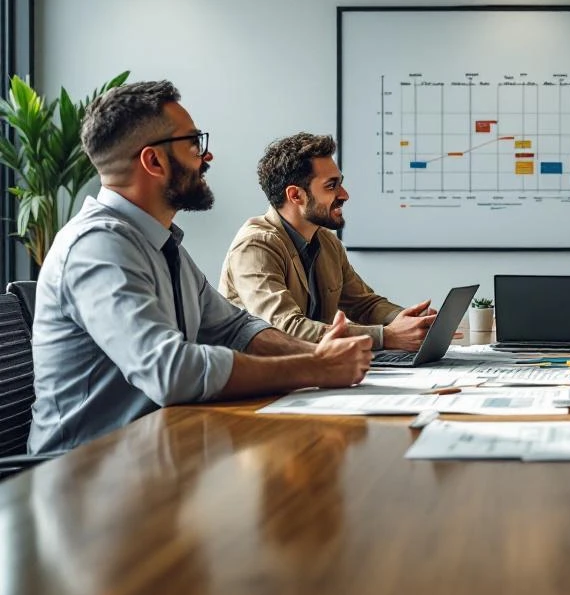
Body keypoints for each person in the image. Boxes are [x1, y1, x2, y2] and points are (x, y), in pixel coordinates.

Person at [29, 81, 373, 453]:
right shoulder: (97, 247)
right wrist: (314, 369)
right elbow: (172, 372)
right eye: (194, 144)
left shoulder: (159, 243)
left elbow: (236, 328)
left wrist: (315, 357)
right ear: (154, 161)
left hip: (157, 454)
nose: (206, 158)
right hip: (85, 479)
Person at [219, 132, 435, 350]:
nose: (345, 195)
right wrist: (385, 336)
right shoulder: (255, 246)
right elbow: (286, 328)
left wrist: (411, 320)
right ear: (295, 195)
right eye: (331, 186)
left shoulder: (326, 242)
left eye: (340, 184)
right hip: (263, 376)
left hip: (312, 370)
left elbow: (364, 304)